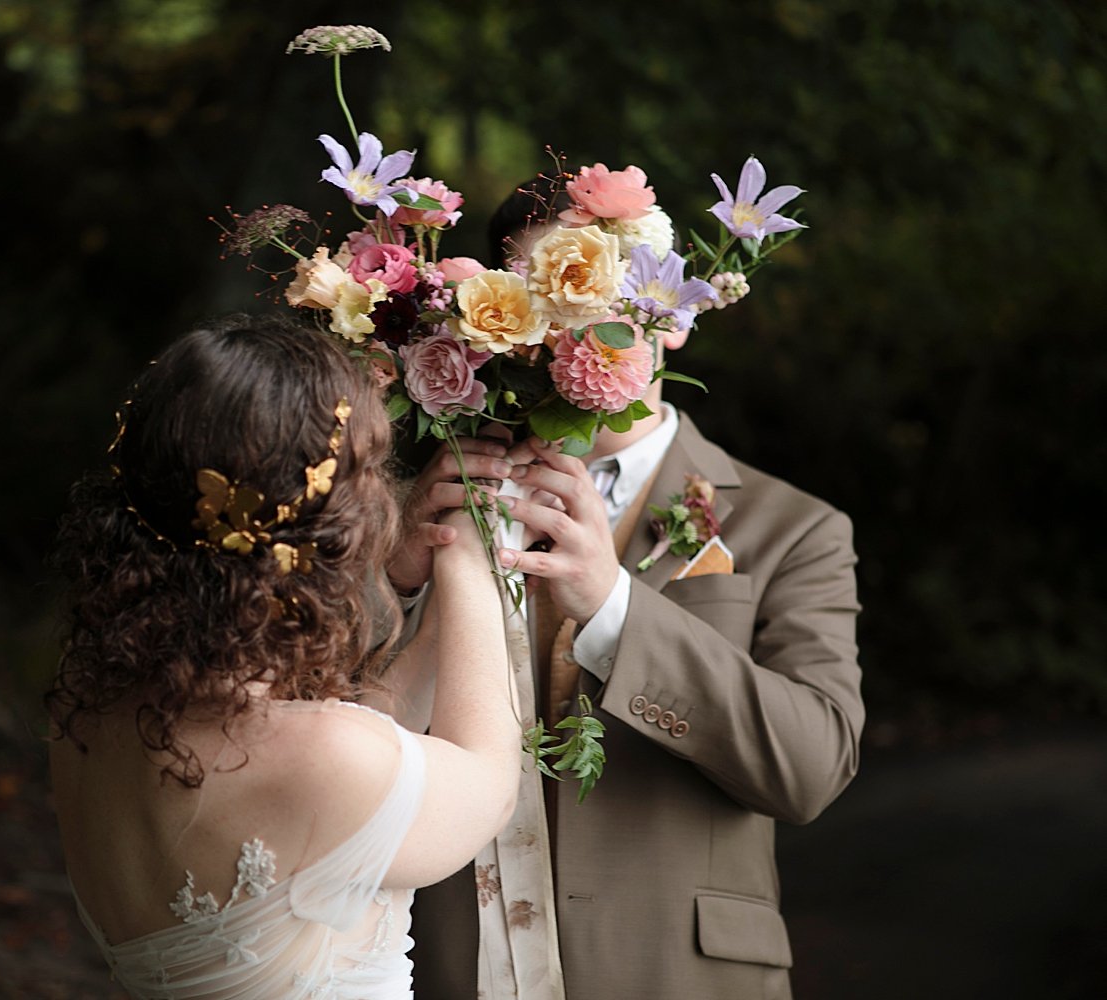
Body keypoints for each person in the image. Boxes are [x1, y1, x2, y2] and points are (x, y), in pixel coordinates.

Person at [400, 187, 866, 999]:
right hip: (448, 966)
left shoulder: (795, 527)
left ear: (673, 312)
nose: (564, 329)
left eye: (590, 293)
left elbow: (811, 767)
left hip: (676, 974)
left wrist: (613, 606)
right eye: (536, 300)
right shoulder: (425, 505)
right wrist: (400, 576)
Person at [45, 315, 520, 999]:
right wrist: (472, 558)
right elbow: (488, 785)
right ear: (325, 525)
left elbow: (342, 778)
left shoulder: (85, 706)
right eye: (370, 473)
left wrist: (429, 597)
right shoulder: (322, 756)